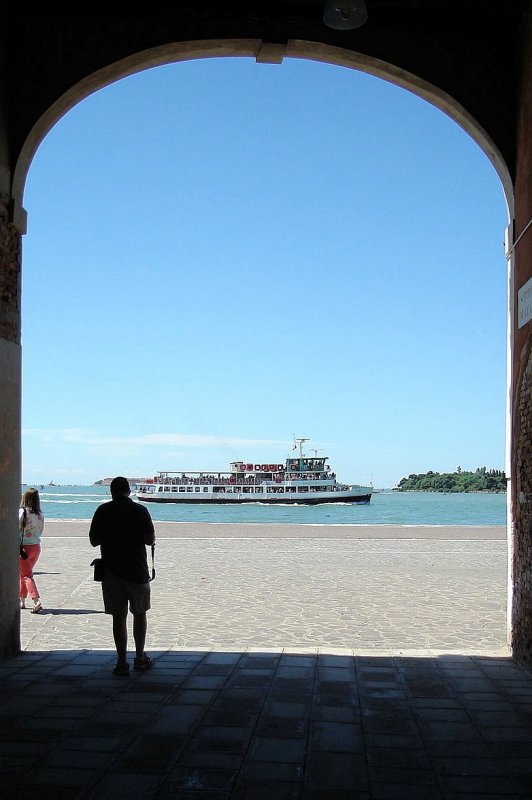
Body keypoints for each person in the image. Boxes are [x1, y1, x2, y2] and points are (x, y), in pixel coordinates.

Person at [89, 476, 156, 676]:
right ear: (129, 491)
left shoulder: (103, 511)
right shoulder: (140, 510)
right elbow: (149, 539)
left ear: (111, 492)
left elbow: (94, 541)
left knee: (119, 618)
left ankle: (121, 661)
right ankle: (140, 656)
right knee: (140, 614)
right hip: (137, 570)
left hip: (112, 571)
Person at [19, 487, 44, 613]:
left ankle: (36, 600)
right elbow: (40, 531)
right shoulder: (40, 515)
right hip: (36, 546)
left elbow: (16, 529)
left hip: (23, 547)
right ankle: (22, 600)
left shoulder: (22, 512)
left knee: (26, 575)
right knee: (24, 573)